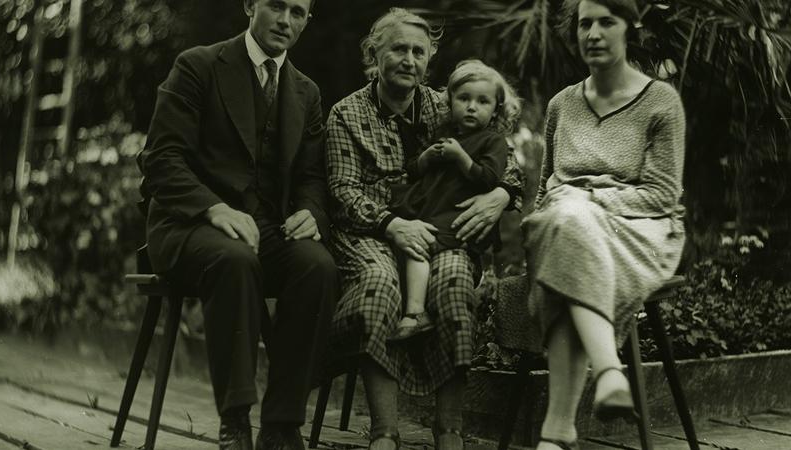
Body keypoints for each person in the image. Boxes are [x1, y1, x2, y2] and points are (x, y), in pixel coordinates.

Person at [136, 0, 337, 449]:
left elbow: (311, 178)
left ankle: (282, 425)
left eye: (298, 13)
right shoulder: (198, 66)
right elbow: (161, 159)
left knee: (317, 267)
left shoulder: (306, 92)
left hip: (263, 228)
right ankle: (236, 422)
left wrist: (312, 212)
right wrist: (213, 208)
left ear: (307, 20)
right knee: (234, 259)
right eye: (276, 6)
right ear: (250, 5)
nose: (285, 21)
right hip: (187, 224)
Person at [325, 9, 523, 450]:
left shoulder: (448, 103)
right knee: (380, 283)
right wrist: (391, 224)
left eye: (419, 51)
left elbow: (506, 162)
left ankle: (449, 430)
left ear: (429, 57)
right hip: (371, 232)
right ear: (375, 53)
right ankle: (384, 433)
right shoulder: (346, 114)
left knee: (453, 282)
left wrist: (501, 196)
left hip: (441, 229)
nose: (409, 59)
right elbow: (341, 191)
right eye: (398, 49)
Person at [520, 0, 687, 449]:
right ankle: (607, 372)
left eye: (605, 22)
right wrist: (557, 214)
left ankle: (557, 432)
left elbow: (661, 196)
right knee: (564, 225)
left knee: (570, 221)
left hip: (642, 228)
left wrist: (587, 198)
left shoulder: (661, 101)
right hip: (567, 228)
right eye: (584, 23)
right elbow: (542, 195)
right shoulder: (561, 105)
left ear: (629, 28)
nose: (593, 33)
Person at [386, 59, 522, 342]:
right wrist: (425, 158)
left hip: (458, 216)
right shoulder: (443, 131)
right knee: (416, 246)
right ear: (450, 101)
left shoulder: (493, 141)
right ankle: (414, 312)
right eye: (464, 99)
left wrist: (461, 158)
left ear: (496, 107)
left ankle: (418, 314)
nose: (471, 107)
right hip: (431, 210)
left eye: (482, 101)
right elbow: (413, 170)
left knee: (422, 249)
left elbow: (488, 178)